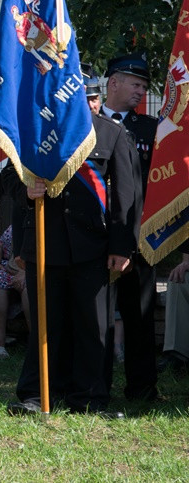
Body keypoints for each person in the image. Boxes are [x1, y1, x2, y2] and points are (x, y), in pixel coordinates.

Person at [8, 107, 137, 416]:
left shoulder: (111, 132)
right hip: (44, 243)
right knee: (44, 325)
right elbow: (9, 180)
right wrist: (26, 191)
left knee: (93, 327)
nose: (88, 102)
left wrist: (122, 246)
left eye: (92, 96)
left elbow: (124, 193)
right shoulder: (35, 127)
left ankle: (90, 398)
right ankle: (37, 396)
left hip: (93, 246)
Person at [101, 53, 159, 402]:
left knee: (139, 316)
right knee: (98, 317)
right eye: (136, 85)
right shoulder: (86, 124)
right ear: (114, 82)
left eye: (145, 86)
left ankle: (142, 388)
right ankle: (96, 386)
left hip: (139, 237)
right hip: (95, 236)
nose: (141, 92)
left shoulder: (150, 129)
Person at [0, 225, 29, 359]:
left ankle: (37, 344)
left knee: (31, 288)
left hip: (36, 272)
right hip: (9, 268)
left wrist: (26, 273)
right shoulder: (17, 223)